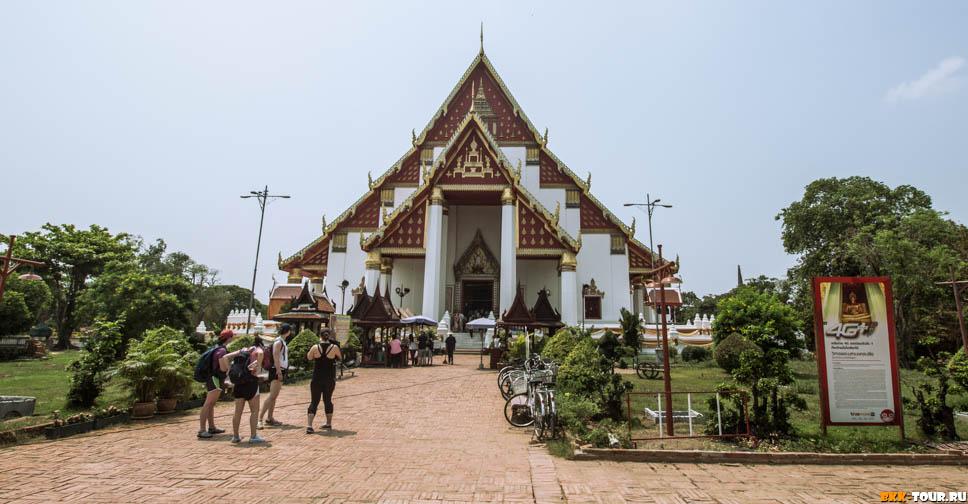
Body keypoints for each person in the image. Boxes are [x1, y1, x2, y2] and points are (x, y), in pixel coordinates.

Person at [220, 341, 266, 444]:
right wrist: (258, 366)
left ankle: (235, 436)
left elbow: (225, 357)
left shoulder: (241, 351)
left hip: (238, 384)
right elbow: (261, 353)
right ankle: (253, 436)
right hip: (251, 383)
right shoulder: (256, 350)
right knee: (254, 411)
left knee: (237, 412)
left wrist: (229, 369)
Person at [197, 329, 233, 439]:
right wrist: (229, 368)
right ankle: (202, 430)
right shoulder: (222, 351)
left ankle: (211, 427)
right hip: (215, 378)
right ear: (229, 338)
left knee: (211, 404)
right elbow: (223, 367)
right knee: (208, 403)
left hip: (213, 377)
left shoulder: (217, 347)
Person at [306, 328, 342, 433]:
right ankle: (328, 423)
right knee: (328, 400)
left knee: (314, 401)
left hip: (316, 378)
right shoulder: (334, 347)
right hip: (329, 378)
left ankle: (309, 425)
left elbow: (309, 357)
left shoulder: (315, 347)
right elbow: (340, 358)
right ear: (329, 336)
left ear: (320, 336)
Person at [258, 323, 292, 429]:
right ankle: (259, 419)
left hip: (280, 369)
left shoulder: (282, 341)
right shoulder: (279, 342)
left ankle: (270, 417)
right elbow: (276, 356)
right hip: (277, 370)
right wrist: (278, 371)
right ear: (287, 331)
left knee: (274, 396)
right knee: (272, 395)